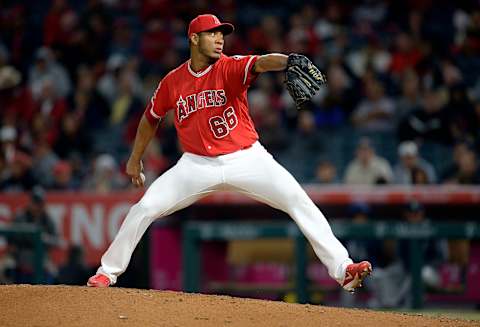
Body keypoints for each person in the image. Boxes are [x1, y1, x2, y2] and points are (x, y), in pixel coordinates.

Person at [87, 14, 372, 291]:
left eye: (222, 34)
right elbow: (151, 118)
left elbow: (260, 62)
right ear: (194, 38)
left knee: (298, 201)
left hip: (246, 158)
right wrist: (135, 159)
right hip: (196, 165)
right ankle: (106, 273)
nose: (220, 39)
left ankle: (343, 270)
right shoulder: (172, 82)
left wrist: (288, 61)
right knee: (145, 208)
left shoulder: (230, 67)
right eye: (213, 33)